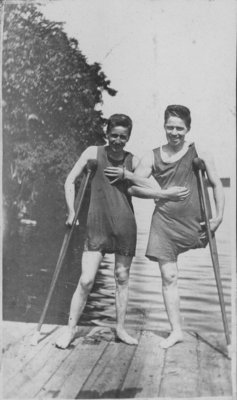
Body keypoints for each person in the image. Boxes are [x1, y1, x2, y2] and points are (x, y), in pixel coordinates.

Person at [106, 105, 225, 349]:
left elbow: (216, 184)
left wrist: (219, 217)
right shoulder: (152, 156)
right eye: (170, 127)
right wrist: (161, 193)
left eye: (179, 128)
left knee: (172, 275)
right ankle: (176, 331)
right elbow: (133, 187)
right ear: (164, 127)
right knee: (169, 275)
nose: (174, 132)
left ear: (188, 128)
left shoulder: (200, 151)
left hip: (196, 223)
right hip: (164, 224)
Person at [56, 114, 139, 349]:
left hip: (125, 226)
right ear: (107, 133)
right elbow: (69, 181)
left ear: (128, 137)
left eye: (123, 137)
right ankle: (70, 330)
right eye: (114, 135)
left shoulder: (133, 160)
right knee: (86, 280)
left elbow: (150, 186)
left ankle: (121, 329)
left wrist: (131, 176)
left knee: (122, 278)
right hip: (97, 224)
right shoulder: (93, 152)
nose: (118, 140)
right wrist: (71, 212)